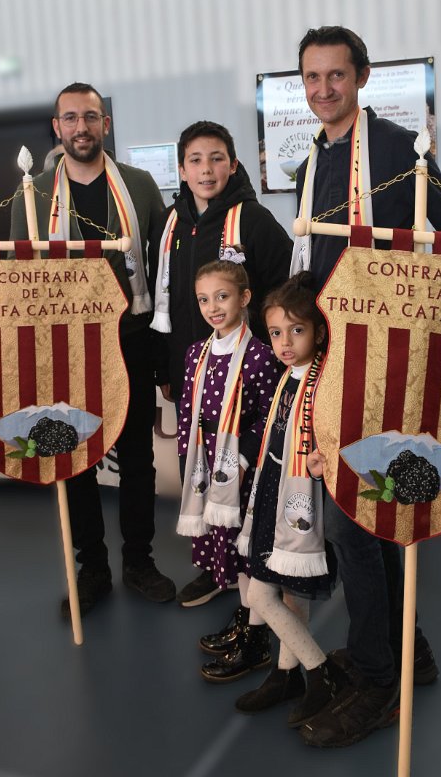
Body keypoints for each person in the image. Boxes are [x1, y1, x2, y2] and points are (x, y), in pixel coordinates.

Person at [293, 26, 441, 748]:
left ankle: (378, 682)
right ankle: (410, 652)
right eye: (311, 78)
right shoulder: (314, 158)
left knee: (357, 520)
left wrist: (412, 309)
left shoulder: (397, 149)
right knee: (364, 519)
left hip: (383, 368)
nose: (323, 90)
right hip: (331, 362)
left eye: (335, 76)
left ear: (362, 77)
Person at [10, 82, 175, 616]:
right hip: (65, 345)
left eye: (90, 116)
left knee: (138, 458)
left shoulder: (139, 185)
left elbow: (162, 268)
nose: (81, 127)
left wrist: (164, 352)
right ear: (56, 127)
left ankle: (139, 561)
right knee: (72, 456)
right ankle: (93, 569)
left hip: (132, 340)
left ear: (105, 123)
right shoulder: (33, 193)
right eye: (70, 118)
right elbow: (19, 275)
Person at [149, 120, 292, 607]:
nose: (206, 169)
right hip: (192, 372)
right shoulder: (170, 225)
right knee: (201, 471)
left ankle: (257, 568)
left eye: (216, 159)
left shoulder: (253, 221)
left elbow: (287, 293)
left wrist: (277, 356)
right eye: (195, 160)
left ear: (233, 164)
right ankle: (216, 567)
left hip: (248, 375)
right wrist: (167, 370)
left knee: (246, 475)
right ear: (182, 169)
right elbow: (166, 302)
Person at [230, 272, 347, 725]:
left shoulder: (324, 382)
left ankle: (320, 673)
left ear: (318, 332)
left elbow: (334, 436)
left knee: (266, 595)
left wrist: (323, 459)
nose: (284, 342)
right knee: (280, 592)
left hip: (302, 498)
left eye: (296, 330)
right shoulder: (287, 379)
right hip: (274, 491)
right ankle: (286, 674)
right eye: (276, 332)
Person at [175, 254, 280, 682]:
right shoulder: (196, 353)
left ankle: (256, 638)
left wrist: (240, 458)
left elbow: (269, 417)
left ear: (244, 298)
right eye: (204, 300)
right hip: (208, 469)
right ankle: (245, 616)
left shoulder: (259, 356)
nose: (213, 307)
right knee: (229, 550)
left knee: (247, 551)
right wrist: (191, 462)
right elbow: (189, 412)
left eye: (222, 297)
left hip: (242, 470)